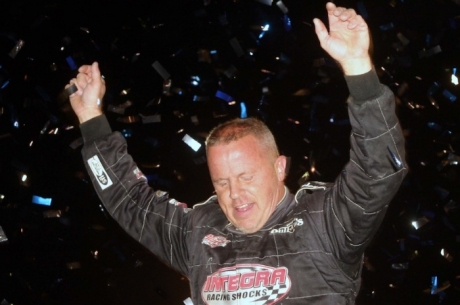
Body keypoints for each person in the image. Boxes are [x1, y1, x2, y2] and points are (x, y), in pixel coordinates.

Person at [66, 2, 407, 304]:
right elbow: (130, 202)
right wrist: (90, 120)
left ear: (279, 167)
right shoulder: (199, 232)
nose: (235, 194)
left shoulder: (326, 222)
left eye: (246, 176)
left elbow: (379, 169)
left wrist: (358, 68)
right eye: (222, 182)